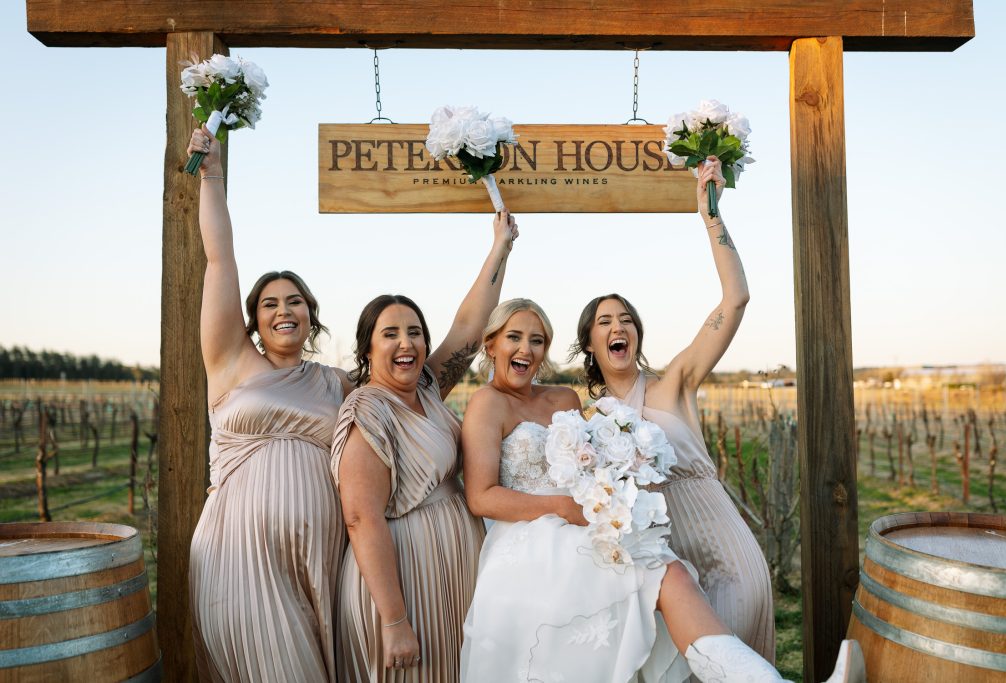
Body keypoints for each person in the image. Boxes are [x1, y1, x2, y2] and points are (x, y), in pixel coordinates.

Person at [460, 299, 863, 682]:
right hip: (534, 538)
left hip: (590, 524)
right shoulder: (486, 403)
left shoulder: (563, 398)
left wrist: (613, 485)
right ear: (490, 345)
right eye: (514, 337)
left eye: (537, 340)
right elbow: (481, 496)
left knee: (672, 575)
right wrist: (566, 508)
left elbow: (589, 465)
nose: (526, 349)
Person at [569, 157, 775, 661]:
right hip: (657, 566)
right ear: (590, 342)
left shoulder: (676, 383)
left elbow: (736, 298)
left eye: (625, 319)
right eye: (604, 322)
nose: (618, 326)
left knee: (729, 661)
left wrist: (711, 216)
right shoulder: (587, 420)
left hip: (722, 547)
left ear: (636, 334)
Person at [185, 127, 354, 681]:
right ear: (253, 319)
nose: (284, 310)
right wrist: (211, 174)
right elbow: (219, 260)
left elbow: (419, 370)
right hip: (235, 552)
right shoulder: (232, 362)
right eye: (270, 303)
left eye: (295, 301)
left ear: (311, 315)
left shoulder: (337, 383)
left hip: (317, 557)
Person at [331, 210, 518, 682]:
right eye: (390, 334)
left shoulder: (428, 388)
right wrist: (394, 620)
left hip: (454, 566)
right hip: (406, 578)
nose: (406, 343)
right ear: (367, 349)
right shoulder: (367, 410)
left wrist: (500, 248)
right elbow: (361, 517)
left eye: (414, 332)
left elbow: (470, 327)